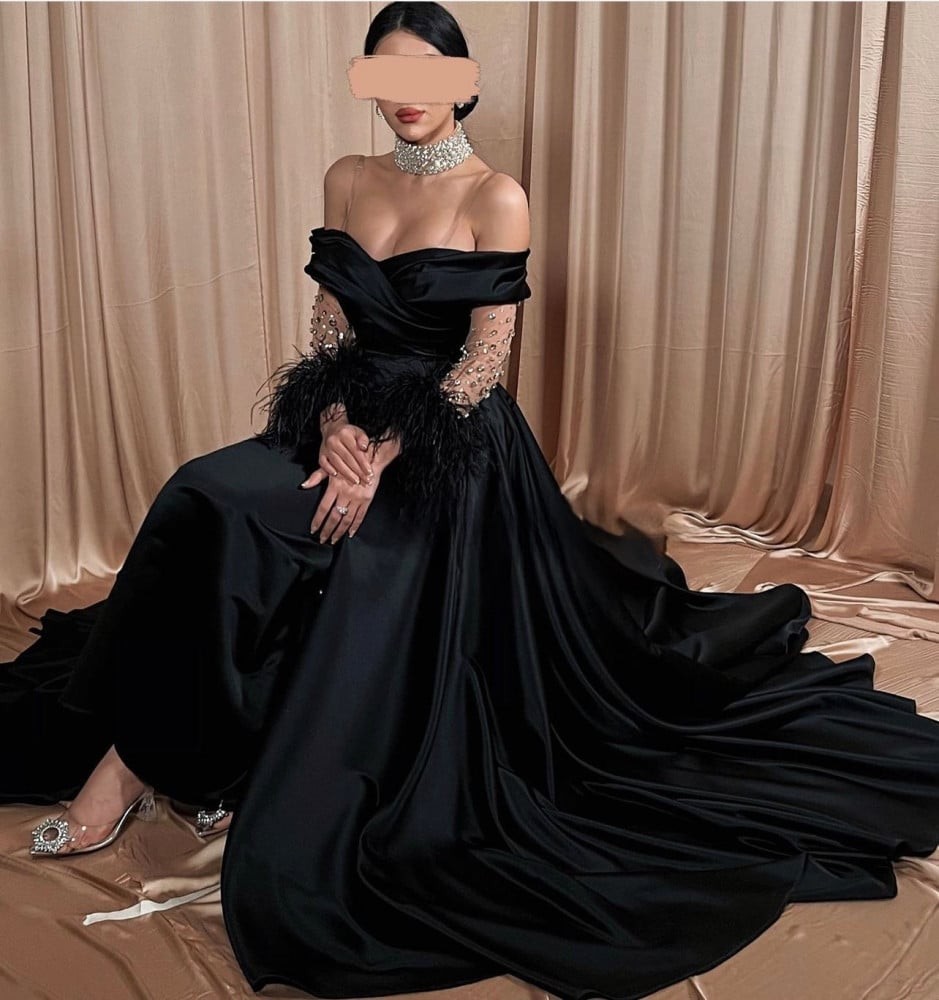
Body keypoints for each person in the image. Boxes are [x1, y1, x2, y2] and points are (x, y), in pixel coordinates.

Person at [3, 4, 939, 999]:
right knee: (207, 496)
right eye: (387, 77)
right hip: (343, 416)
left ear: (465, 82)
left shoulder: (497, 196)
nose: (407, 98)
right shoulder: (346, 176)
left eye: (429, 77)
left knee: (353, 556)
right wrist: (334, 426)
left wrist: (385, 453)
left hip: (449, 442)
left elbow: (483, 363)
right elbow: (328, 328)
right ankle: (152, 750)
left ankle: (142, 765)